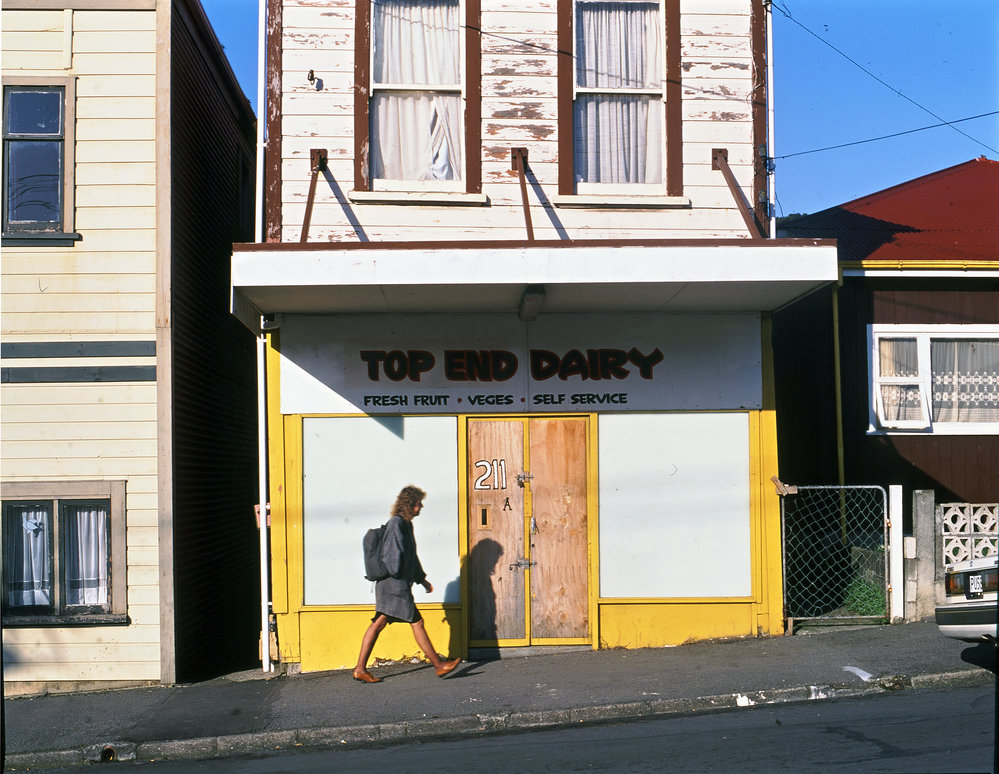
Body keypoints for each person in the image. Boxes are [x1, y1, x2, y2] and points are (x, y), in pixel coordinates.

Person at [353, 485, 461, 683]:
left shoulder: (405, 524)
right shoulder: (396, 523)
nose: (421, 507)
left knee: (379, 623)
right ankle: (439, 665)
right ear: (410, 504)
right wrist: (401, 579)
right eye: (419, 504)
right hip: (394, 586)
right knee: (416, 622)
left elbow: (412, 556)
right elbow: (392, 556)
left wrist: (421, 579)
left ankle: (360, 669)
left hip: (394, 585)